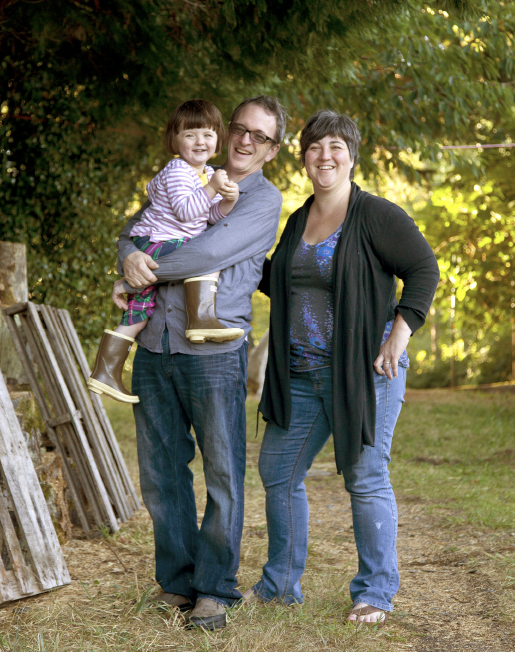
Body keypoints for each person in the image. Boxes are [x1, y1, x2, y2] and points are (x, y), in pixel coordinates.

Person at [245, 110, 439, 626]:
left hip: (366, 373)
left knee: (366, 475)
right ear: (303, 156)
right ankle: (280, 585)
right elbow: (280, 283)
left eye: (335, 146)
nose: (324, 156)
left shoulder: (376, 215)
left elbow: (423, 270)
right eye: (314, 147)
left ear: (352, 154)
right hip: (302, 375)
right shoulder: (297, 218)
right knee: (277, 472)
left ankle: (375, 592)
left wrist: (398, 337)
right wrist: (229, 254)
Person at [115, 96, 288, 630]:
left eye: (259, 136)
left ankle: (214, 589)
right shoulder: (190, 174)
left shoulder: (262, 200)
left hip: (214, 354)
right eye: (239, 128)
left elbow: (207, 253)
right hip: (157, 347)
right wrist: (127, 251)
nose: (243, 140)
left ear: (272, 150)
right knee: (161, 474)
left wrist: (141, 265)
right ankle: (176, 581)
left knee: (221, 473)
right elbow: (138, 224)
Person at [87, 99, 242, 405]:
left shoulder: (205, 173)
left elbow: (208, 217)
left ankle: (104, 372)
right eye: (190, 134)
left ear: (218, 141)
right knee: (210, 255)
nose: (200, 141)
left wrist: (228, 200)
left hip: (165, 242)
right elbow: (187, 212)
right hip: (157, 242)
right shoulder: (178, 170)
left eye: (208, 135)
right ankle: (201, 319)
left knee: (141, 312)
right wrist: (212, 187)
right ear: (175, 139)